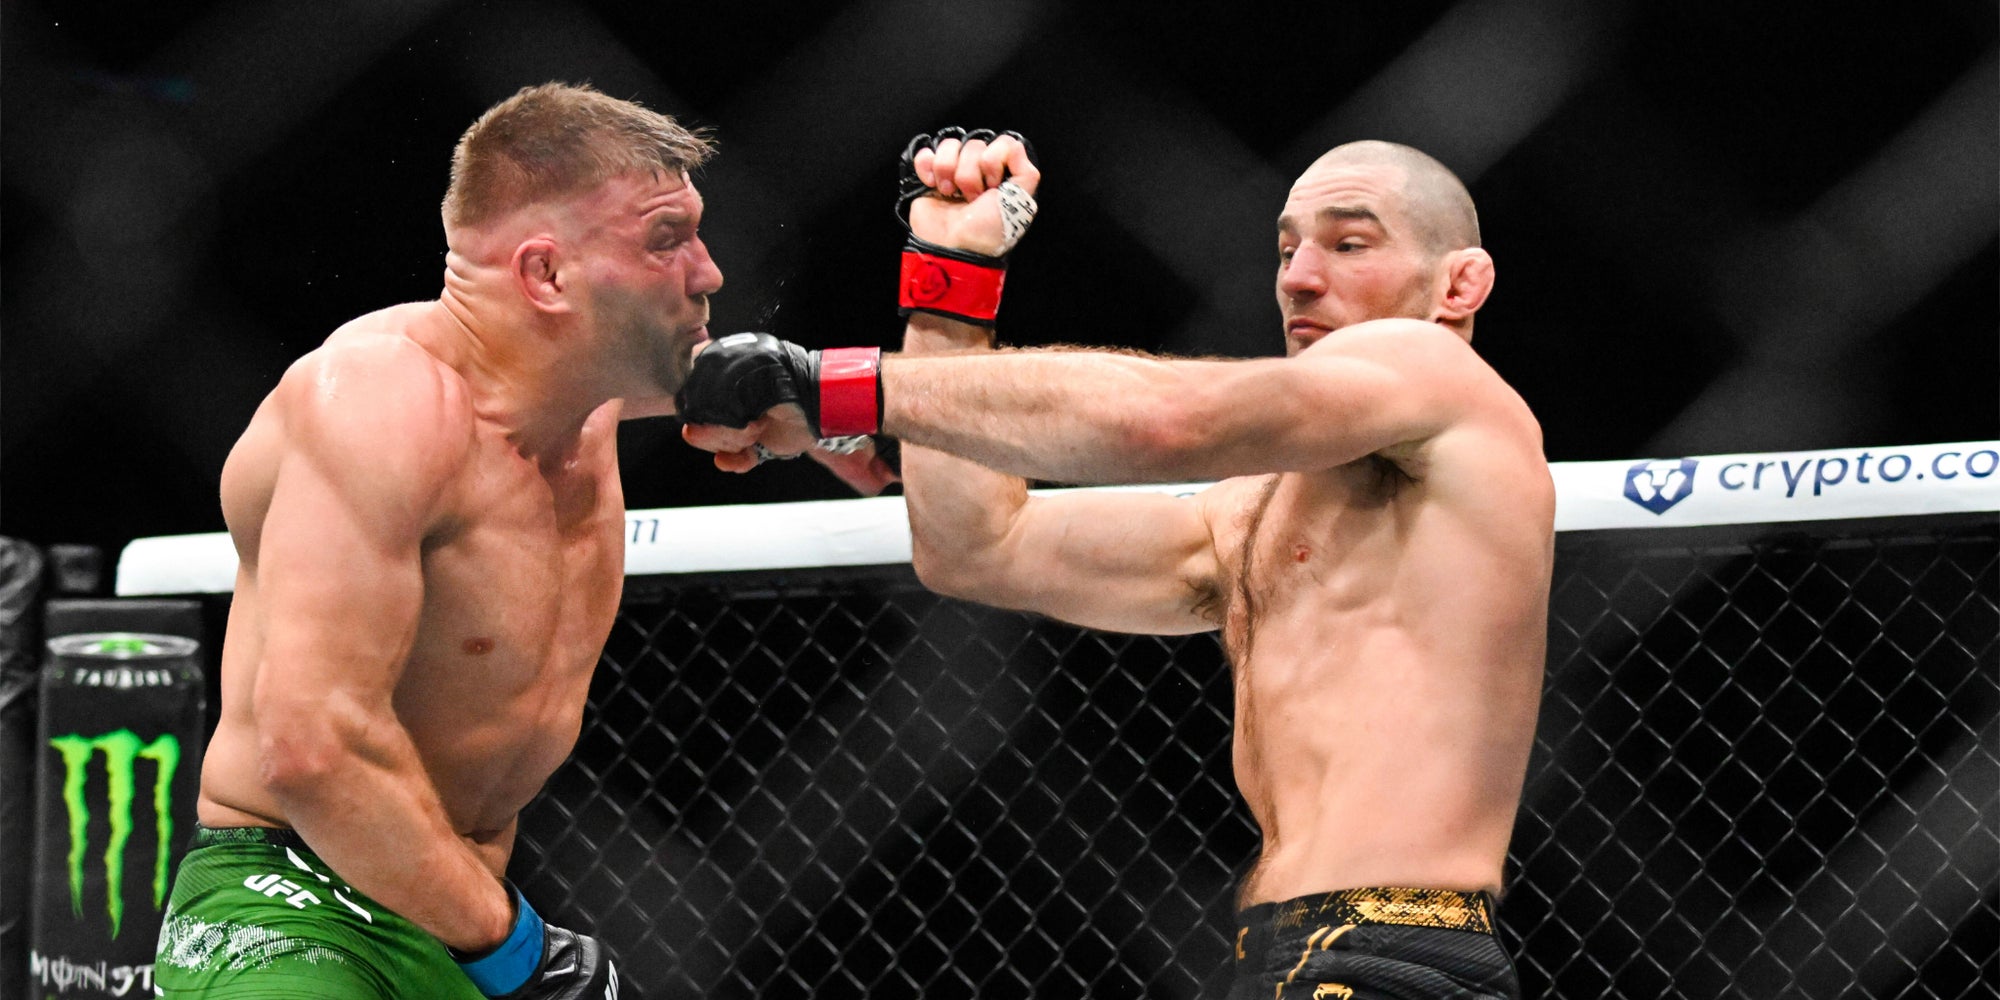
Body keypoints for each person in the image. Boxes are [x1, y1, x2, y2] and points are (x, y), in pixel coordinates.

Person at [678, 132, 1553, 999]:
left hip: (1392, 950)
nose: (1299, 276)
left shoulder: (1437, 372)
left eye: (1350, 243)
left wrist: (832, 385)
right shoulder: (1252, 513)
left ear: (1458, 285)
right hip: (1289, 953)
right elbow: (976, 546)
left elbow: (1170, 422)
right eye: (1288, 249)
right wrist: (952, 283)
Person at [152, 82, 736, 999]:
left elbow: (767, 389)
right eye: (667, 240)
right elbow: (312, 748)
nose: (710, 273)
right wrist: (522, 953)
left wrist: (930, 295)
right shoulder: (382, 403)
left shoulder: (588, 393)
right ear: (546, 276)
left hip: (457, 908)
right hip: (290, 906)